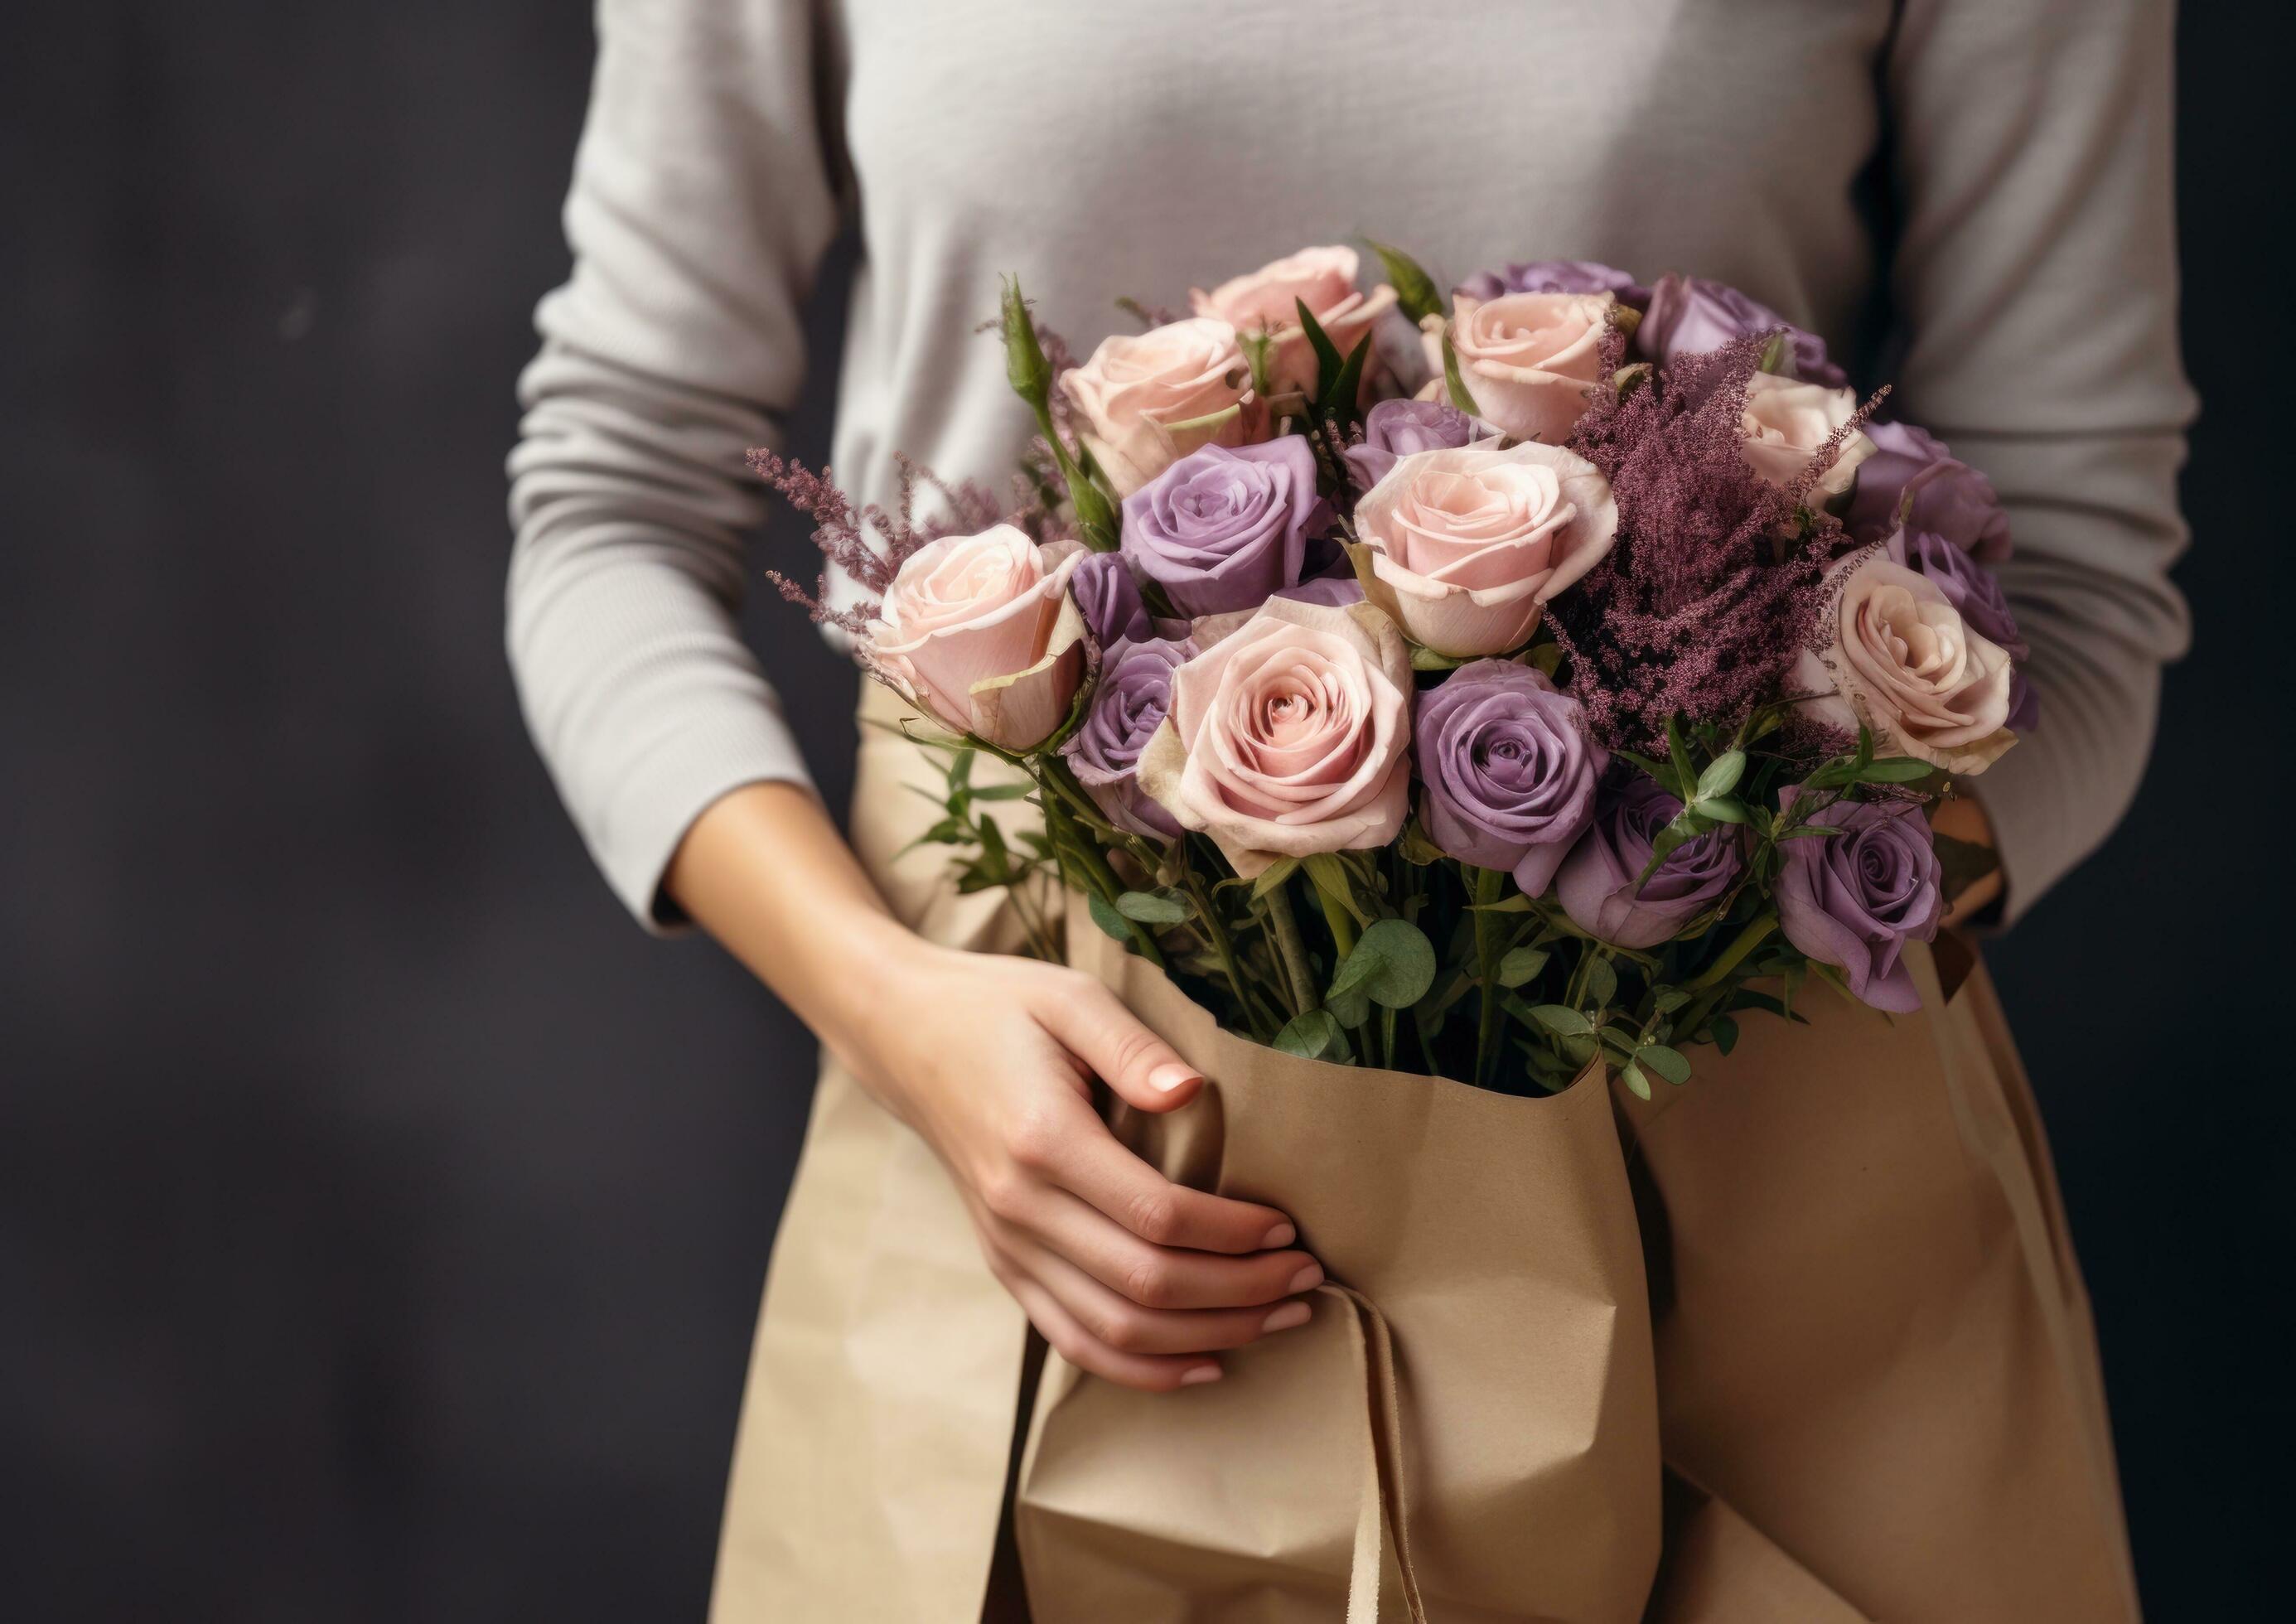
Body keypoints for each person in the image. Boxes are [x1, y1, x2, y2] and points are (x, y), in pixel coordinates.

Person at [508, 3, 2187, 1617]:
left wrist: (1718, 916)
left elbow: (2085, 572)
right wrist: (894, 1012)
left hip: (1736, 1103)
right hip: (1028, 1141)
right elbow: (613, 492)